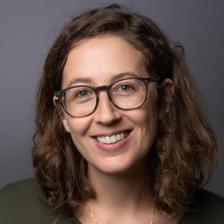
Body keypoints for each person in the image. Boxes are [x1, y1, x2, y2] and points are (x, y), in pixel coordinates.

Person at [0, 4, 224, 224]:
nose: (107, 116)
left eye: (125, 87)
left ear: (164, 99)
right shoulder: (11, 211)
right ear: (62, 114)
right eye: (82, 93)